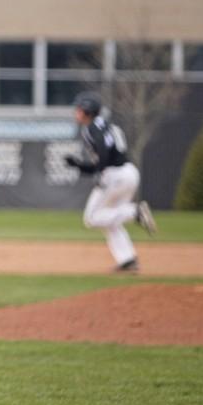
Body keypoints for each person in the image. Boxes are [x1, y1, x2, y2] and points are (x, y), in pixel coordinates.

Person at [65, 91, 157, 272]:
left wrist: (99, 171)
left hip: (115, 176)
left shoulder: (92, 128)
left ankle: (135, 212)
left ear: (87, 111)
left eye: (79, 109)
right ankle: (128, 260)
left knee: (91, 218)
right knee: (110, 220)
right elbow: (102, 157)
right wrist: (79, 165)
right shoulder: (106, 125)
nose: (76, 112)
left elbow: (103, 150)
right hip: (128, 173)